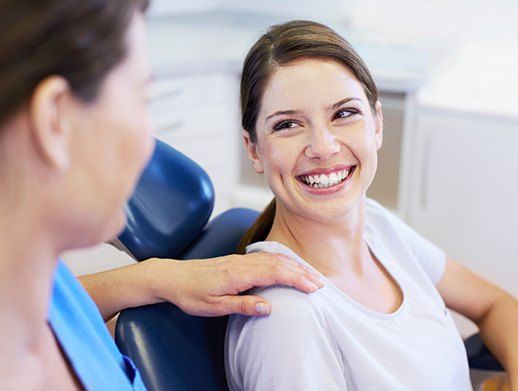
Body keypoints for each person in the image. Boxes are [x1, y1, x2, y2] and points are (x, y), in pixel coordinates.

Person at [0, 2, 324, 389]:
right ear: (54, 122)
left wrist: (155, 277)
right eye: (142, 99)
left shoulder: (41, 282)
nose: (148, 146)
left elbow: (64, 306)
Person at [225, 20, 518, 391]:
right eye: (288, 125)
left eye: (344, 114)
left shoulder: (378, 227)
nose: (324, 147)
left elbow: (496, 304)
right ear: (254, 149)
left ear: (377, 124)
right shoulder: (286, 319)